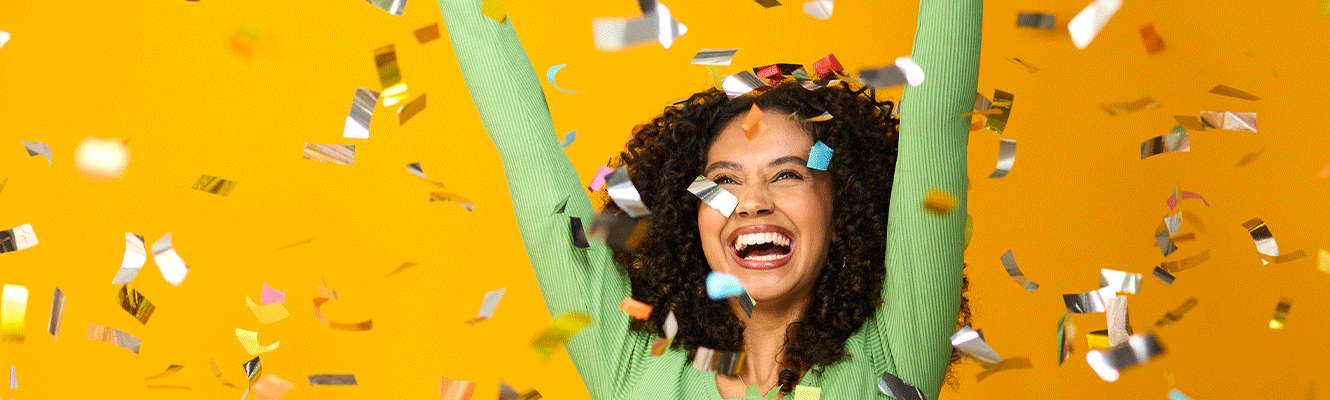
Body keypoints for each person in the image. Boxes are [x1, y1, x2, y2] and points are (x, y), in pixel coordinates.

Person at [439, 0, 980, 398]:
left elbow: (937, 123)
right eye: (723, 181)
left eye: (788, 174)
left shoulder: (892, 355)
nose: (751, 203)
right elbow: (530, 157)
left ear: (842, 212)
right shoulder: (635, 366)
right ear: (688, 220)